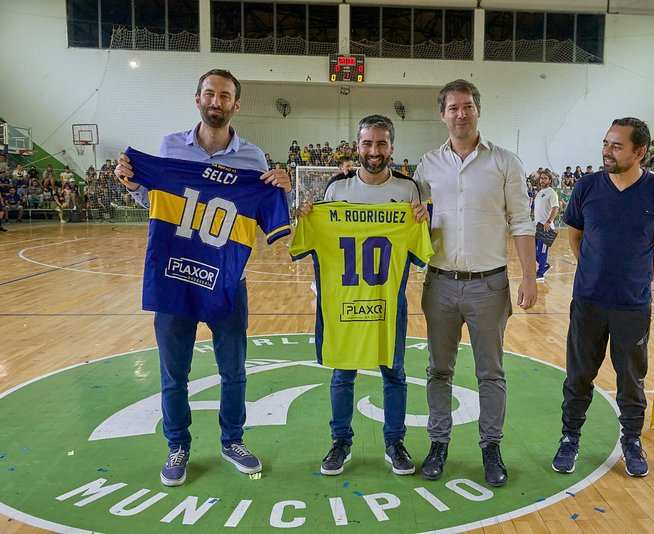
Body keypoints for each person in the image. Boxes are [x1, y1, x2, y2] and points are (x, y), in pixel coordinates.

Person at [114, 68, 291, 487]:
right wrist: (130, 180)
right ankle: (178, 445)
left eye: (225, 96)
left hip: (227, 282)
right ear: (198, 99)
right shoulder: (169, 148)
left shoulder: (254, 159)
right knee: (174, 372)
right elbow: (148, 197)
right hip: (175, 279)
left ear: (236, 104)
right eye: (210, 94)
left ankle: (233, 440)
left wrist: (279, 188)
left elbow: (272, 222)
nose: (217, 101)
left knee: (235, 370)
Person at [413, 79, 537, 487]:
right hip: (441, 283)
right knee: (438, 370)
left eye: (467, 106)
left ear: (478, 110)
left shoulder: (506, 162)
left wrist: (530, 278)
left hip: (490, 284)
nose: (460, 114)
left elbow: (521, 221)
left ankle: (491, 447)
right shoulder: (427, 166)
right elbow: (410, 221)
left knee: (491, 373)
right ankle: (438, 444)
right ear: (442, 114)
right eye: (453, 107)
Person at [297, 115, 429, 477]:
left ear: (392, 147)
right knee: (343, 372)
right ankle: (340, 441)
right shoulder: (336, 190)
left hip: (388, 300)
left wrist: (422, 219)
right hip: (345, 301)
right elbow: (317, 244)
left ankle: (394, 442)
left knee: (394, 372)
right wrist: (307, 217)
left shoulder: (407, 190)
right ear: (357, 147)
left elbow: (420, 248)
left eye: (381, 143)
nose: (374, 150)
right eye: (368, 143)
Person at [552, 117, 654, 478]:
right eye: (606, 143)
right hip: (588, 301)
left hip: (632, 306)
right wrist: (591, 268)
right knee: (578, 376)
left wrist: (639, 277)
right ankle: (569, 438)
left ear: (640, 151)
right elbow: (575, 236)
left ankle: (631, 441)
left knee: (631, 379)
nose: (607, 151)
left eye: (616, 145)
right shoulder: (587, 187)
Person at [532, 172, 559, 281]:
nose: (542, 180)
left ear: (550, 180)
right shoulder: (539, 193)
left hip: (546, 227)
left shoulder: (551, 193)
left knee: (542, 252)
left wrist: (549, 221)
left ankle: (540, 273)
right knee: (533, 252)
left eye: (545, 178)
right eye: (541, 178)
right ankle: (545, 265)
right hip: (537, 227)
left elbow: (555, 208)